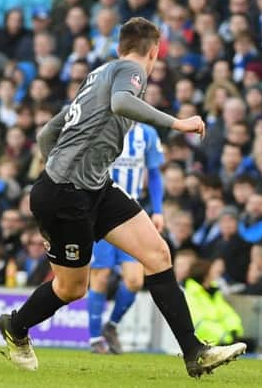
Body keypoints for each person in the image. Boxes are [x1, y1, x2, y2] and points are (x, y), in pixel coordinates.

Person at [0, 17, 246, 377]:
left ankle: (195, 353)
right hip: (66, 195)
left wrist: (67, 165)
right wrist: (176, 123)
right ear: (155, 51)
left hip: (92, 188)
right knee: (71, 289)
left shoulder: (99, 73)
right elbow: (121, 103)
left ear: (119, 46)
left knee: (158, 254)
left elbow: (48, 133)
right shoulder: (131, 72)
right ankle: (16, 326)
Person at [87, 121, 165, 354]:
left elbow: (154, 175)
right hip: (100, 212)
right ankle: (94, 340)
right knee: (100, 275)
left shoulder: (147, 133)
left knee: (134, 280)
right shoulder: (100, 126)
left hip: (131, 215)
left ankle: (111, 326)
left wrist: (158, 210)